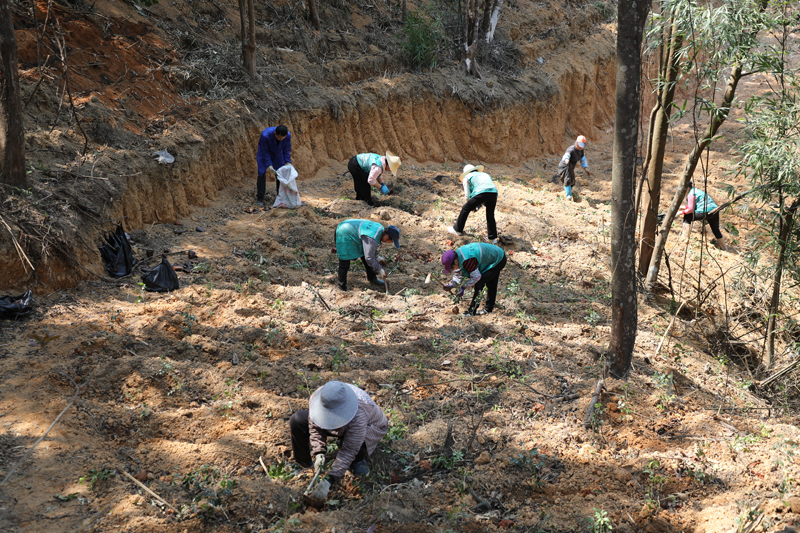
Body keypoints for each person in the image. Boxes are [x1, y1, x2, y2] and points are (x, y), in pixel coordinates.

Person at [290, 381, 389, 501]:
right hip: (346, 425)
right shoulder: (319, 398)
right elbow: (314, 425)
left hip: (371, 426)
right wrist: (318, 451)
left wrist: (329, 480)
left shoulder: (359, 416)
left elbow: (349, 451)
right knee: (298, 420)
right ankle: (304, 462)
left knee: (354, 443)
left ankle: (359, 459)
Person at [441, 243, 507, 316]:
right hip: (493, 255)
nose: (453, 269)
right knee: (490, 282)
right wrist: (452, 284)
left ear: (455, 262)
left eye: (452, 267)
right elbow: (457, 273)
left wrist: (463, 286)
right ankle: (488, 309)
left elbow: (476, 277)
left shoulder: (467, 260)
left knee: (480, 283)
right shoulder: (456, 256)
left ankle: (472, 312)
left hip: (498, 258)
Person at [335, 219, 400, 291]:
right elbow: (369, 257)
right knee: (345, 262)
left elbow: (370, 248)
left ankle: (372, 278)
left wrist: (377, 257)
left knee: (367, 255)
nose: (389, 243)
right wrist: (380, 270)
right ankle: (342, 287)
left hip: (352, 228)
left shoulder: (380, 228)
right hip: (344, 232)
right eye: (390, 241)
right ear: (387, 237)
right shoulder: (372, 238)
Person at [447, 164, 499, 244]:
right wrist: (476, 204)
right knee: (490, 215)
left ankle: (457, 230)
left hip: (482, 192)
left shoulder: (467, 177)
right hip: (493, 192)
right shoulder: (485, 174)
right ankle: (493, 238)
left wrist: (472, 205)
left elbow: (467, 196)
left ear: (466, 172)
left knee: (465, 208)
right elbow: (487, 190)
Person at [679, 182, 726, 250]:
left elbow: (690, 209)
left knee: (687, 217)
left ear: (687, 188)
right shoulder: (696, 191)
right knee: (715, 229)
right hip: (714, 211)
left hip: (705, 211)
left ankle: (684, 238)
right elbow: (694, 206)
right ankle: (724, 248)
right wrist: (683, 207)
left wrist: (680, 212)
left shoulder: (691, 194)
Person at [256, 125, 292, 207]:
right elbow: (264, 151)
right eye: (279, 137)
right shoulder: (265, 135)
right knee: (261, 173)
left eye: (283, 138)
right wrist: (269, 164)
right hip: (264, 153)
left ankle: (280, 197)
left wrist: (288, 161)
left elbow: (286, 149)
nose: (281, 139)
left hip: (278, 153)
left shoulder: (287, 136)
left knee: (280, 173)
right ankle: (260, 198)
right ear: (275, 133)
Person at [557, 135, 591, 201]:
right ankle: (568, 195)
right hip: (564, 166)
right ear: (576, 142)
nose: (580, 147)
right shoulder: (571, 149)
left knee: (572, 181)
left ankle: (569, 192)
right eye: (579, 145)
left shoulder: (581, 150)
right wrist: (566, 160)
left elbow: (583, 159)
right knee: (567, 180)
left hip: (570, 167)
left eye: (582, 146)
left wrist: (585, 167)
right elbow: (566, 155)